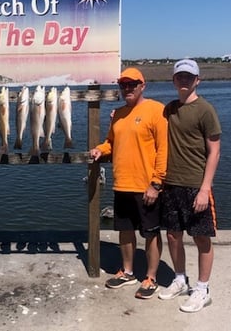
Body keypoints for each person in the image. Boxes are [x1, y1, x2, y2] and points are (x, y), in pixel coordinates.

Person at [90, 67, 167, 299]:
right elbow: (111, 143)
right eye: (123, 85)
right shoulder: (119, 114)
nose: (127, 89)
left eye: (132, 84)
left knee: (151, 234)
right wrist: (99, 150)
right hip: (121, 184)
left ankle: (151, 277)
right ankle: (128, 271)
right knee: (125, 232)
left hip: (146, 187)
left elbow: (164, 150)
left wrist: (156, 183)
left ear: (143, 85)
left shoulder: (156, 110)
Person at [159, 59, 221, 313]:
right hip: (171, 185)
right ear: (173, 81)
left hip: (196, 185)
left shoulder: (205, 110)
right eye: (179, 77)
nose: (184, 81)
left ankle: (202, 289)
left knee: (201, 238)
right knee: (173, 235)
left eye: (189, 77)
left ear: (198, 80)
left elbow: (214, 151)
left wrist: (205, 188)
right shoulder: (169, 109)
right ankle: (179, 279)